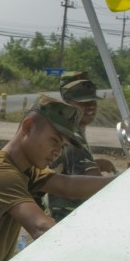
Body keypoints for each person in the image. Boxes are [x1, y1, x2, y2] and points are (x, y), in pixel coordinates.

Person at [0, 95, 111, 261]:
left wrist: (124, 180)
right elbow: (41, 227)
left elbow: (69, 185)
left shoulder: (25, 169)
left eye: (63, 146)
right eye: (54, 141)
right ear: (28, 127)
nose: (58, 152)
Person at [46, 77, 116, 223]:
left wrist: (96, 164)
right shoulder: (72, 138)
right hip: (70, 218)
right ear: (67, 103)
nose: (90, 107)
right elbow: (94, 183)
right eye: (83, 103)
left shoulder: (72, 130)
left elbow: (70, 168)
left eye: (93, 102)